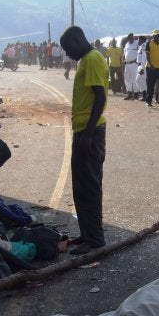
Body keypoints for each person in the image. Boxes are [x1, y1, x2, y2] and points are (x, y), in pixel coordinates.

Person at [60, 26, 109, 255]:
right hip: (83, 130)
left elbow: (100, 96)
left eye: (68, 49)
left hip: (90, 132)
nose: (68, 54)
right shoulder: (86, 60)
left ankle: (95, 239)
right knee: (80, 186)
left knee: (89, 185)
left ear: (77, 40)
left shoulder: (92, 59)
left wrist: (88, 133)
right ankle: (87, 234)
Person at [123, 33, 139, 100]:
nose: (130, 39)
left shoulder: (137, 43)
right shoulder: (126, 45)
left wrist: (138, 61)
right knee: (127, 79)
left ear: (133, 38)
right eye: (129, 38)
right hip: (127, 64)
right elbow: (124, 54)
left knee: (134, 79)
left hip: (134, 64)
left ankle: (136, 94)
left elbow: (140, 53)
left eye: (131, 38)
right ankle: (129, 94)